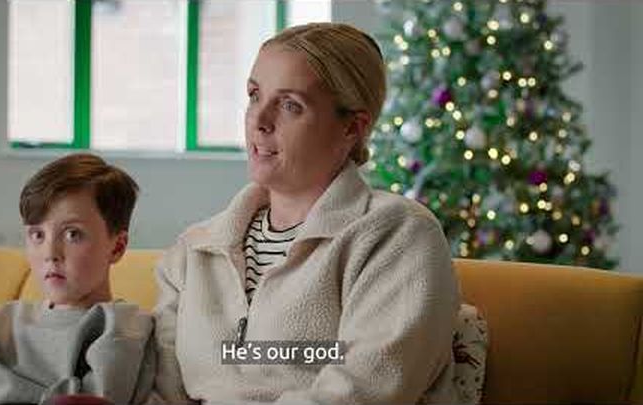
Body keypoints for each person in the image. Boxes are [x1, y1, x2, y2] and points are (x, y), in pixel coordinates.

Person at [152, 23, 461, 404]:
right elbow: (160, 390)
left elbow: (364, 391)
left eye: (290, 105)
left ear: (352, 127)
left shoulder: (399, 235)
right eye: (254, 95)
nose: (259, 120)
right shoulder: (193, 250)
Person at [0, 153, 155, 405]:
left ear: (117, 247)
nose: (50, 253)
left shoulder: (123, 327)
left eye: (73, 234)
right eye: (37, 235)